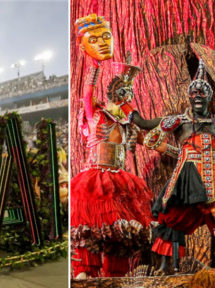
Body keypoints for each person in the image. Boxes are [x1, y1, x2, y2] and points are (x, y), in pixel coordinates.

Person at [71, 14, 178, 278]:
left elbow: (153, 142)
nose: (126, 98)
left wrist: (181, 154)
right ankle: (86, 271)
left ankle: (115, 275)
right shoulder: (94, 113)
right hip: (96, 177)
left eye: (129, 94)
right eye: (122, 94)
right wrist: (95, 64)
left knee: (121, 232)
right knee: (92, 227)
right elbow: (86, 93)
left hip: (122, 180)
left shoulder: (127, 124)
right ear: (111, 96)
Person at [113, 59, 215, 272]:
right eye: (194, 93)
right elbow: (142, 123)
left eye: (202, 93)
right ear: (189, 97)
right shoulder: (179, 121)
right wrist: (124, 102)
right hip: (187, 179)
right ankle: (171, 267)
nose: (198, 96)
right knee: (173, 219)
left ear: (209, 96)